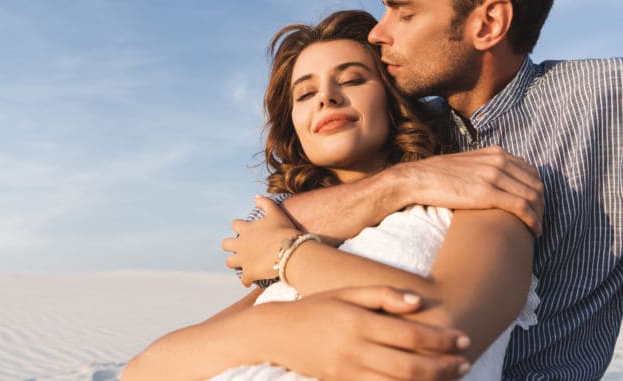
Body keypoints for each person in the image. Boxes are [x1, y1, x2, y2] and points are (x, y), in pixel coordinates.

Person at [123, 10, 541, 381]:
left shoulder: (480, 194)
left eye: (353, 79)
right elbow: (143, 371)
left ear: (395, 100)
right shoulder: (304, 237)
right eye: (305, 94)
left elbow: (440, 335)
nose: (326, 97)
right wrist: (280, 330)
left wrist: (291, 257)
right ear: (295, 127)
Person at [226, 0, 620, 379]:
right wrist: (407, 181)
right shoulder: (413, 129)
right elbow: (260, 232)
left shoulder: (607, 101)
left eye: (405, 12)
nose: (379, 32)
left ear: (488, 24)